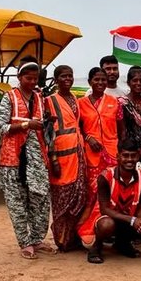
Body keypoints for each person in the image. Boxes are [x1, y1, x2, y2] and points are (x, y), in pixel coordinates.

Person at [0, 59, 54, 260]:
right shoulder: (9, 98)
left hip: (37, 158)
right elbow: (0, 127)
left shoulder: (40, 98)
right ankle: (25, 242)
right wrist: (25, 125)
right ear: (19, 78)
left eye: (35, 78)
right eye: (28, 78)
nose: (31, 82)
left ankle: (37, 239)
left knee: (40, 199)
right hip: (13, 159)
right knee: (17, 202)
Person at [82, 139, 141, 263]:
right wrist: (132, 220)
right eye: (125, 156)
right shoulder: (105, 177)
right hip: (110, 219)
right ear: (118, 157)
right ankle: (97, 246)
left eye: (133, 156)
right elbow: (104, 209)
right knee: (106, 225)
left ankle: (123, 243)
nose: (129, 160)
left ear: (138, 156)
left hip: (129, 222)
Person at [45, 65, 88, 251]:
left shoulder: (75, 99)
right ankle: (61, 240)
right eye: (63, 76)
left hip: (78, 155)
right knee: (61, 198)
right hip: (61, 157)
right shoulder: (49, 101)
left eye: (70, 76)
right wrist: (53, 159)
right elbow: (47, 132)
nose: (68, 79)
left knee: (79, 198)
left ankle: (73, 238)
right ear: (56, 80)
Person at [77, 67, 121, 246]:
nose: (101, 83)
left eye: (103, 80)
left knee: (111, 194)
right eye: (97, 80)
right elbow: (77, 127)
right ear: (90, 82)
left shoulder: (114, 102)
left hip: (112, 154)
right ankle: (88, 231)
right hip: (91, 155)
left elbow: (122, 128)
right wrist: (88, 138)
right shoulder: (81, 103)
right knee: (93, 194)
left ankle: (108, 231)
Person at [118, 66, 141, 217]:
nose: (138, 83)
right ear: (128, 82)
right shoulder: (122, 103)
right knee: (133, 189)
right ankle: (134, 226)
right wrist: (138, 152)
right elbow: (123, 131)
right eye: (135, 80)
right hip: (131, 154)